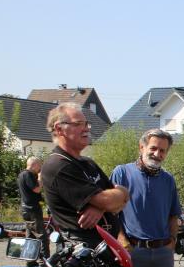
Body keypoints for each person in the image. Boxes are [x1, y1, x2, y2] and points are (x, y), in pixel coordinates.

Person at [110, 129, 181, 267]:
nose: (157, 154)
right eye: (153, 148)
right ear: (142, 147)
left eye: (163, 151)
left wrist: (172, 241)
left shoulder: (168, 180)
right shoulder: (122, 173)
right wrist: (121, 239)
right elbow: (110, 213)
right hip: (131, 250)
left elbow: (174, 215)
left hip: (162, 252)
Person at [40, 103, 128, 247]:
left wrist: (102, 206)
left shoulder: (87, 163)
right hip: (80, 252)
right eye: (78, 124)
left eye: (86, 123)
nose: (86, 128)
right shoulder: (58, 165)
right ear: (59, 129)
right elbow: (110, 200)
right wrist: (109, 200)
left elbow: (121, 200)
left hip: (104, 250)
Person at [16, 156, 49, 258]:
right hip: (32, 210)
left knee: (30, 236)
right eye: (39, 165)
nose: (40, 168)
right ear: (34, 165)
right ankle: (45, 262)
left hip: (25, 209)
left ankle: (30, 259)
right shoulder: (28, 175)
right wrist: (40, 178)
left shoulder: (21, 174)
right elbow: (37, 189)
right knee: (42, 236)